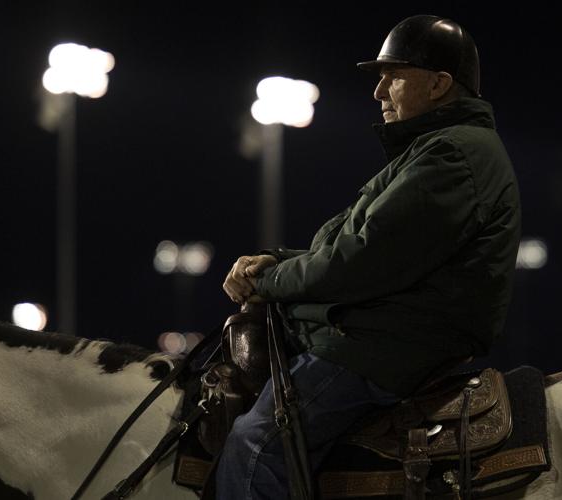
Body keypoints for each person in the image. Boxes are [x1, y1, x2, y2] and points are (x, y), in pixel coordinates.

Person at [218, 14, 521, 499]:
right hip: (390, 332)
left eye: (393, 75)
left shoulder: (452, 156)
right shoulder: (435, 149)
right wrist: (274, 262)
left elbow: (359, 261)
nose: (379, 92)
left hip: (387, 346)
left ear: (440, 84)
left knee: (254, 444)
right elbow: (350, 249)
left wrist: (269, 283)